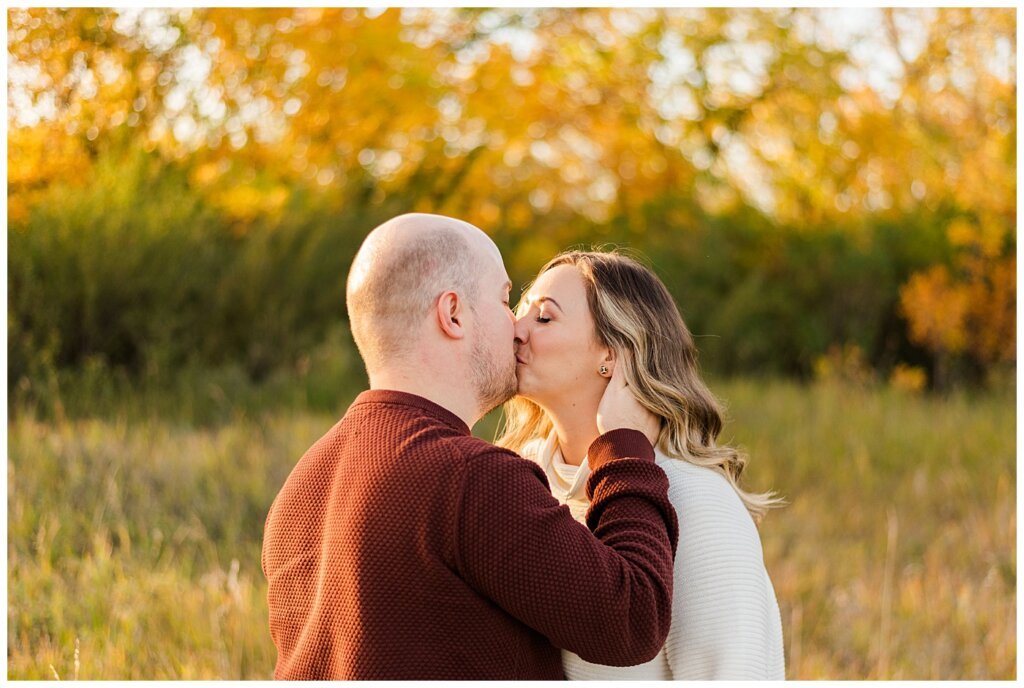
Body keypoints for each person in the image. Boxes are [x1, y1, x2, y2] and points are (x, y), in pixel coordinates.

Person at [261, 214, 680, 680]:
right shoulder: (472, 476)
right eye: (505, 301)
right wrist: (624, 449)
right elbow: (632, 621)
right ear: (453, 314)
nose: (517, 327)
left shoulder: (301, 486)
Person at [499, 249, 786, 680]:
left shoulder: (696, 500)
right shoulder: (517, 482)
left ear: (613, 355)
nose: (515, 330)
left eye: (544, 318)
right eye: (520, 313)